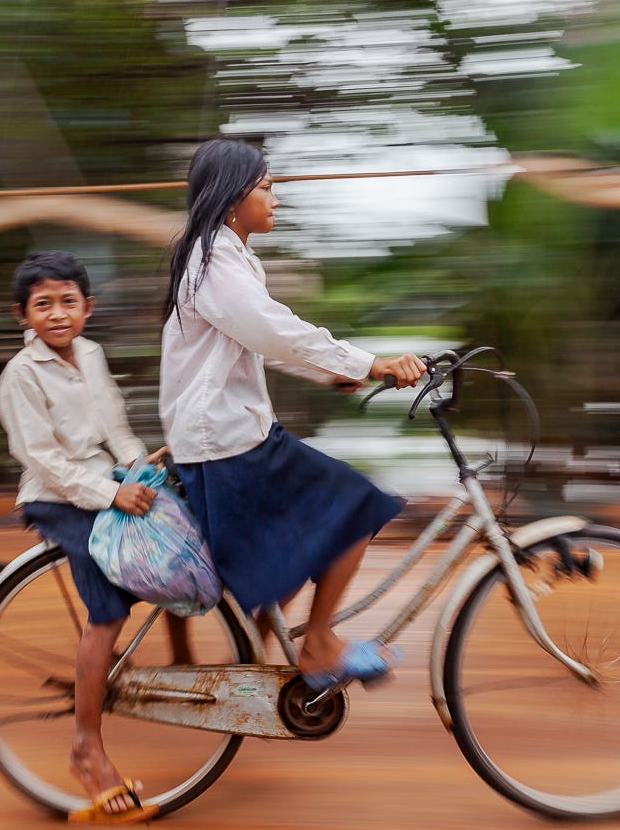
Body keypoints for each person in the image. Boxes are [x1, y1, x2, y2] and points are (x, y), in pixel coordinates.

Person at [158, 140, 427, 692]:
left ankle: (262, 648)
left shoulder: (226, 257)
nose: (275, 199)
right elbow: (271, 329)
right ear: (233, 197)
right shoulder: (214, 259)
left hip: (232, 434)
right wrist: (367, 363)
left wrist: (334, 372)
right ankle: (319, 644)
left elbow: (258, 342)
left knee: (307, 534)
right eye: (266, 187)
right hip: (228, 440)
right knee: (356, 507)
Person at [0, 251, 192, 825]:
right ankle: (87, 746)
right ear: (23, 316)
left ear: (88, 307)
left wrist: (141, 469)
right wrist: (112, 495)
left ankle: (181, 664)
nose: (57, 313)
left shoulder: (92, 354)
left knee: (178, 539)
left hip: (107, 482)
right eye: (43, 305)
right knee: (106, 609)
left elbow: (115, 429)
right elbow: (45, 461)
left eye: (68, 301)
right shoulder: (20, 376)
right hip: (56, 498)